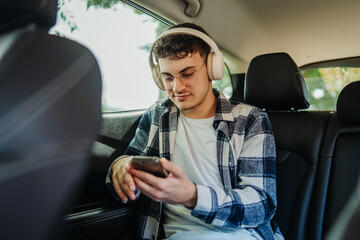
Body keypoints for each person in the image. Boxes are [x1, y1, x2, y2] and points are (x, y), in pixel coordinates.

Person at [106, 23, 283, 240]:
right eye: (168, 78)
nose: (177, 88)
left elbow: (261, 205)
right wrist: (120, 168)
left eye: (187, 74)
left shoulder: (249, 120)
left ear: (212, 68)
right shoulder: (158, 116)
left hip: (240, 234)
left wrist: (193, 196)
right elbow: (128, 179)